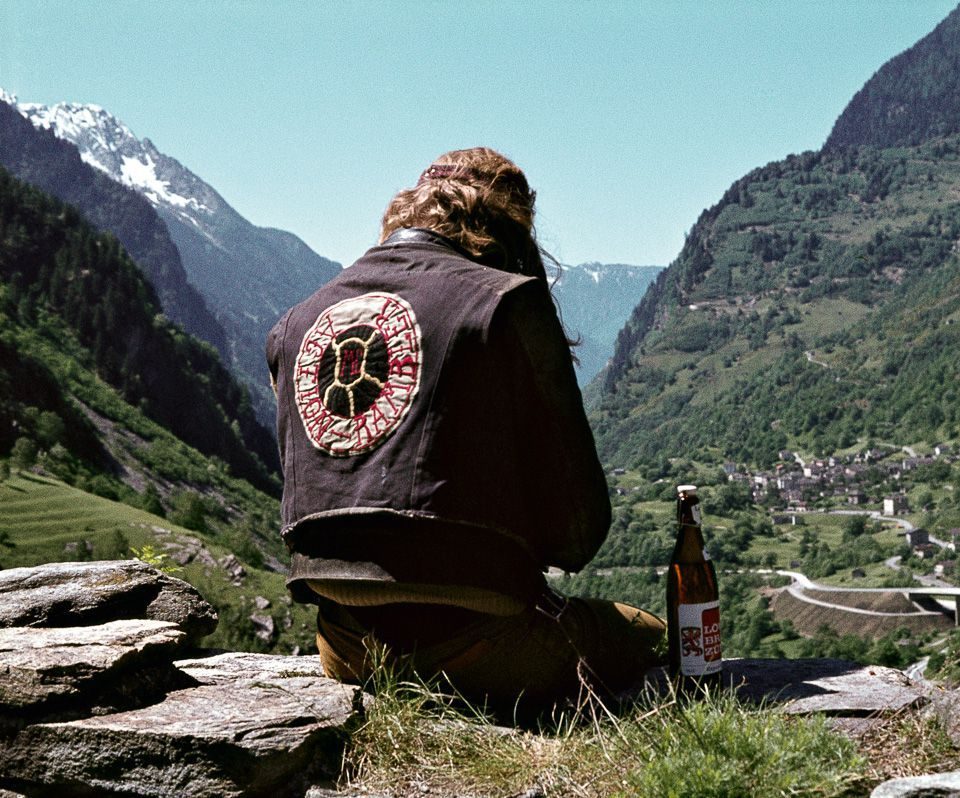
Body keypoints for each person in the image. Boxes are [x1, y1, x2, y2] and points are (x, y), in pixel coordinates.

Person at [266, 147, 664, 719]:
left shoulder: (294, 322)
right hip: (486, 649)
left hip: (346, 648)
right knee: (648, 632)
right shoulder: (506, 305)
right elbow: (579, 532)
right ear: (509, 224)